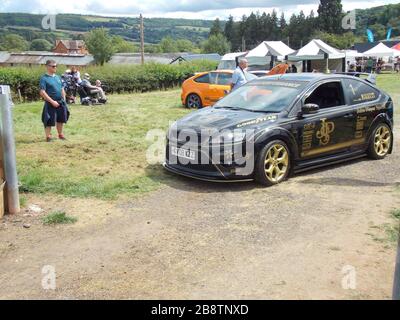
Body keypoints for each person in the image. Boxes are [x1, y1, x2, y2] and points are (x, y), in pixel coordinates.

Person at [39, 60, 70, 142]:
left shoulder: (58, 77)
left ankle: (60, 134)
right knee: (48, 119)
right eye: (53, 66)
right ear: (47, 66)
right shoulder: (44, 78)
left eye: (56, 66)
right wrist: (52, 101)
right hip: (50, 102)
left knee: (61, 119)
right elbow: (42, 92)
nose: (55, 68)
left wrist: (64, 99)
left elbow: (62, 88)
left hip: (60, 102)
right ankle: (48, 136)